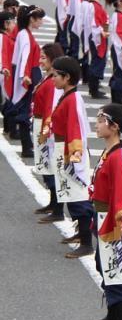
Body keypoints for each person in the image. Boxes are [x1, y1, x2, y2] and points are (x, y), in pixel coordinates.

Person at [90, 104, 122, 320]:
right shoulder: (109, 152)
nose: (96, 125)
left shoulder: (118, 157)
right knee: (102, 265)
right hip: (102, 216)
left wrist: (117, 228)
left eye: (100, 121)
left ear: (114, 127)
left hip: (113, 222)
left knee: (116, 275)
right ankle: (114, 314)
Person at [50, 56, 93, 258]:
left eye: (55, 75)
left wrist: (75, 153)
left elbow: (75, 127)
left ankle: (86, 242)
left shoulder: (72, 99)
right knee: (69, 193)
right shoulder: (67, 96)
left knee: (77, 196)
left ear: (67, 77)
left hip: (70, 151)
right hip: (63, 147)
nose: (53, 79)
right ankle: (80, 233)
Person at [31, 42, 65, 222]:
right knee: (45, 165)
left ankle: (58, 209)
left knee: (51, 165)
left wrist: (45, 132)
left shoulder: (52, 83)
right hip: (39, 123)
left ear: (53, 59)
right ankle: (53, 203)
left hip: (45, 127)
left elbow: (50, 111)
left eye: (44, 58)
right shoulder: (48, 78)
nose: (40, 61)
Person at [7, 5, 45, 157]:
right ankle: (26, 147)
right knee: (25, 110)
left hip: (29, 72)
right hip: (29, 73)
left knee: (26, 109)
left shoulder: (24, 33)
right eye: (39, 18)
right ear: (31, 19)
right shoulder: (25, 35)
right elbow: (24, 58)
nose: (41, 21)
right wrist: (25, 76)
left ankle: (27, 145)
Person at [86, 0, 108, 99]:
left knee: (98, 61)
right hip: (97, 38)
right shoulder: (94, 6)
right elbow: (94, 23)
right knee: (97, 62)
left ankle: (94, 87)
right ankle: (94, 90)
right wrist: (101, 31)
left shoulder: (94, 5)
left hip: (97, 36)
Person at [105, 0, 122, 105]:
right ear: (119, 2)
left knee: (117, 74)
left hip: (116, 47)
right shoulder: (120, 16)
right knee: (120, 75)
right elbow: (121, 35)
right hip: (119, 49)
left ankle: (115, 101)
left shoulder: (117, 15)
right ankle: (117, 102)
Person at [0, 11, 16, 131]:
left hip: (5, 73)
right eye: (12, 22)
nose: (14, 24)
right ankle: (10, 128)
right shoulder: (3, 38)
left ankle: (8, 128)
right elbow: (2, 56)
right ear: (6, 24)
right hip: (3, 75)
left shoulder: (6, 37)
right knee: (6, 102)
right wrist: (3, 69)